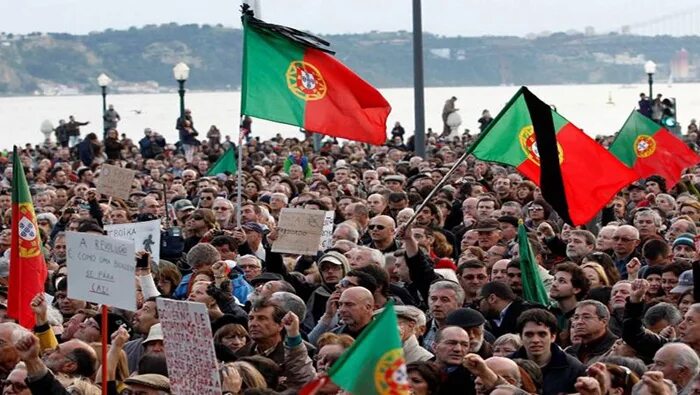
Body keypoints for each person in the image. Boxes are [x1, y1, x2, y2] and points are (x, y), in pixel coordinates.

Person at [511, 309, 585, 394]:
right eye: (529, 335)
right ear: (521, 337)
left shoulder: (574, 369)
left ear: (553, 337)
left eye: (542, 334)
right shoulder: (507, 365)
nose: (535, 340)